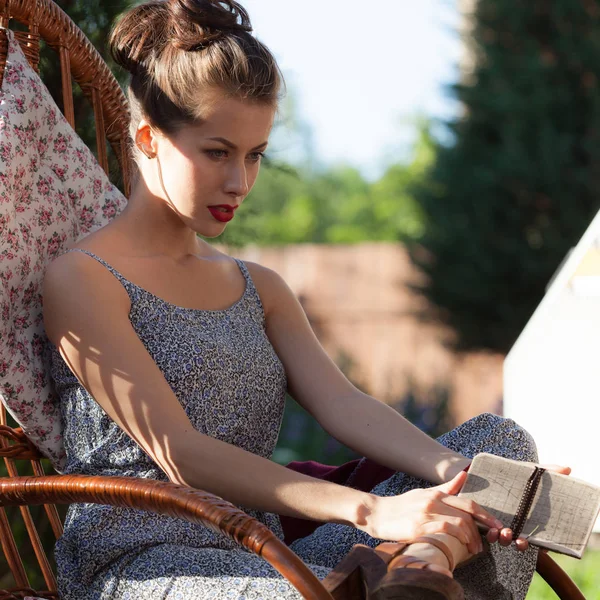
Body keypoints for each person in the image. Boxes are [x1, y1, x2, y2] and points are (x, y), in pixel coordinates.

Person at [42, 1, 555, 598]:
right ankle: (426, 564)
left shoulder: (258, 287)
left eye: (255, 154)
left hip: (268, 552)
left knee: (501, 446)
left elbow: (342, 403)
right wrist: (371, 513)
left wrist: (462, 478)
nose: (240, 182)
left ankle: (427, 562)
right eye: (217, 152)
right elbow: (179, 451)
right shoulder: (84, 277)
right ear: (148, 139)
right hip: (146, 562)